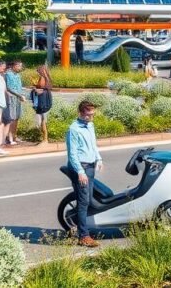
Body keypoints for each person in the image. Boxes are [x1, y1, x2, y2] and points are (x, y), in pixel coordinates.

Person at [66, 100, 102, 247]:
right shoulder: (73, 129)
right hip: (80, 168)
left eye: (92, 115)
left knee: (88, 200)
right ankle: (83, 236)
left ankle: (79, 227)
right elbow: (72, 154)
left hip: (91, 166)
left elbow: (93, 144)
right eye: (88, 115)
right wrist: (80, 172)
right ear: (80, 113)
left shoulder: (90, 125)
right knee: (83, 202)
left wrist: (98, 158)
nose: (91, 118)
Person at [4, 60, 27, 146]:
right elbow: (9, 87)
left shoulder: (18, 75)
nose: (20, 68)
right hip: (12, 98)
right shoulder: (8, 74)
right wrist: (19, 95)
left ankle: (14, 136)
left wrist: (21, 95)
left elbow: (19, 87)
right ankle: (9, 138)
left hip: (18, 98)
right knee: (12, 118)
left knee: (17, 117)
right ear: (14, 66)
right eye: (19, 66)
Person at [31, 65, 54, 143]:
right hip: (47, 99)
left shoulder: (42, 77)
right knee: (44, 119)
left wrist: (34, 87)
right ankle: (45, 138)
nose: (37, 73)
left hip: (42, 101)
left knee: (42, 120)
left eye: (38, 71)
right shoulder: (48, 78)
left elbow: (39, 89)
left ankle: (45, 139)